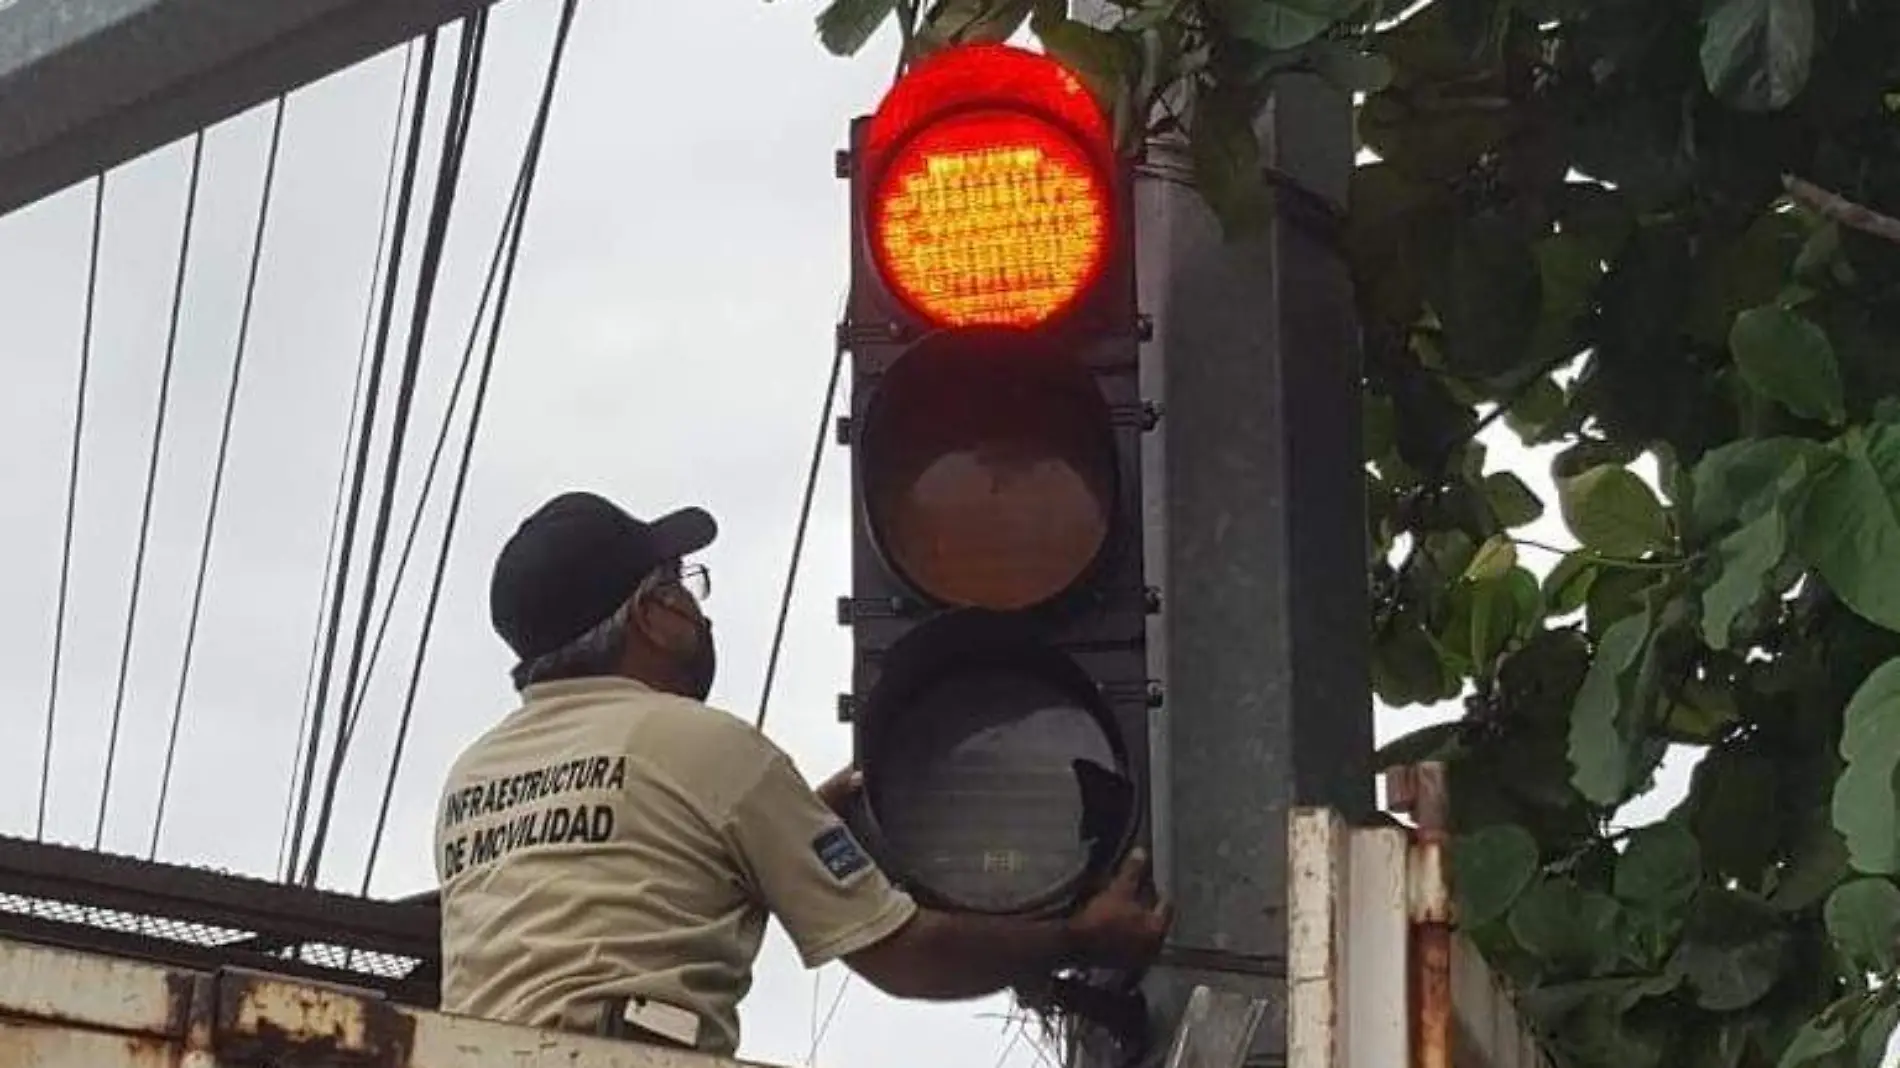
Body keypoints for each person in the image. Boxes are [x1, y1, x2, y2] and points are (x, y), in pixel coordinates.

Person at [433, 490, 1171, 1057]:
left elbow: (613, 892)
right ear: (654, 614)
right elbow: (904, 957)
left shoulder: (471, 780)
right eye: (684, 585)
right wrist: (1080, 938)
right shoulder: (705, 748)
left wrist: (788, 828)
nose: (696, 608)